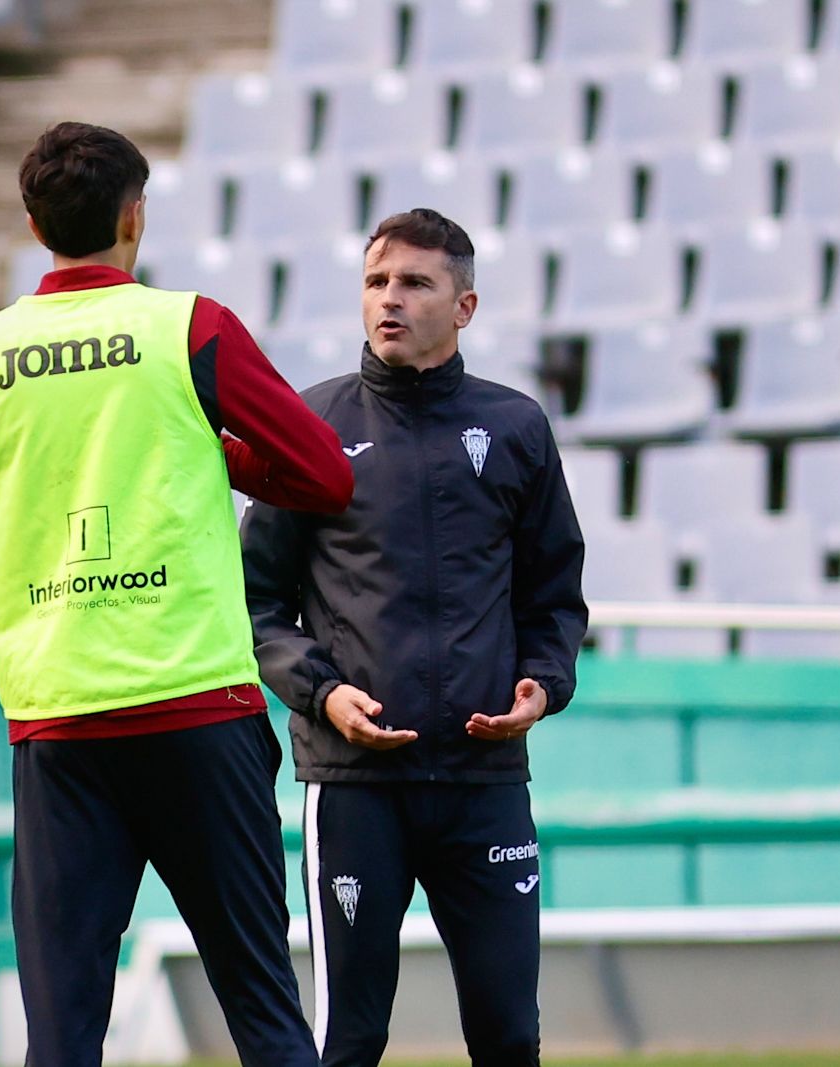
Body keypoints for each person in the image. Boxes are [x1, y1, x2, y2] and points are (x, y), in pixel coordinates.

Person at [0, 121, 352, 1066]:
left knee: (62, 1038)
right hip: (198, 711)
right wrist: (216, 453)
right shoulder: (190, 326)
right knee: (265, 1017)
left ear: (33, 224)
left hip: (60, 724)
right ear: (134, 218)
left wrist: (21, 488)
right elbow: (321, 475)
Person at [241, 208, 587, 1067]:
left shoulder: (516, 428)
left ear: (464, 306)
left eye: (415, 283)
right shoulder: (308, 425)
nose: (389, 299)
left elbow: (555, 595)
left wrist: (544, 682)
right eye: (376, 282)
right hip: (358, 786)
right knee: (348, 1039)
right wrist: (322, 692)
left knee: (510, 1035)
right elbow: (253, 603)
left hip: (486, 781)